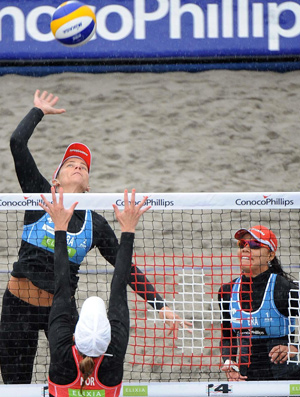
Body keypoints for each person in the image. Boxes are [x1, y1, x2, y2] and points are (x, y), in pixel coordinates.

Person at [0, 90, 190, 384]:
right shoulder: (40, 195)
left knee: (75, 380)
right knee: (14, 386)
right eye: (70, 164)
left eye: (84, 167)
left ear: (88, 186)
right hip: (18, 306)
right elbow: (16, 143)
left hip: (59, 311)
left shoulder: (95, 224)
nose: (78, 166)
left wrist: (160, 305)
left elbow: (125, 269)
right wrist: (37, 111)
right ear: (56, 179)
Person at [41, 187, 149, 396]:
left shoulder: (64, 354)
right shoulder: (112, 358)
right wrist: (128, 231)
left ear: (74, 335)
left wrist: (60, 227)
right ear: (108, 339)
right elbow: (118, 289)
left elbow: (63, 287)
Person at [218, 225, 300, 381]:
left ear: (270, 255)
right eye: (242, 245)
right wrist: (230, 363)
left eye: (255, 245)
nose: (245, 249)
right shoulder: (227, 291)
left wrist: (295, 347)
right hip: (245, 378)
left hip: (285, 379)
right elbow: (227, 336)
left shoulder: (286, 289)